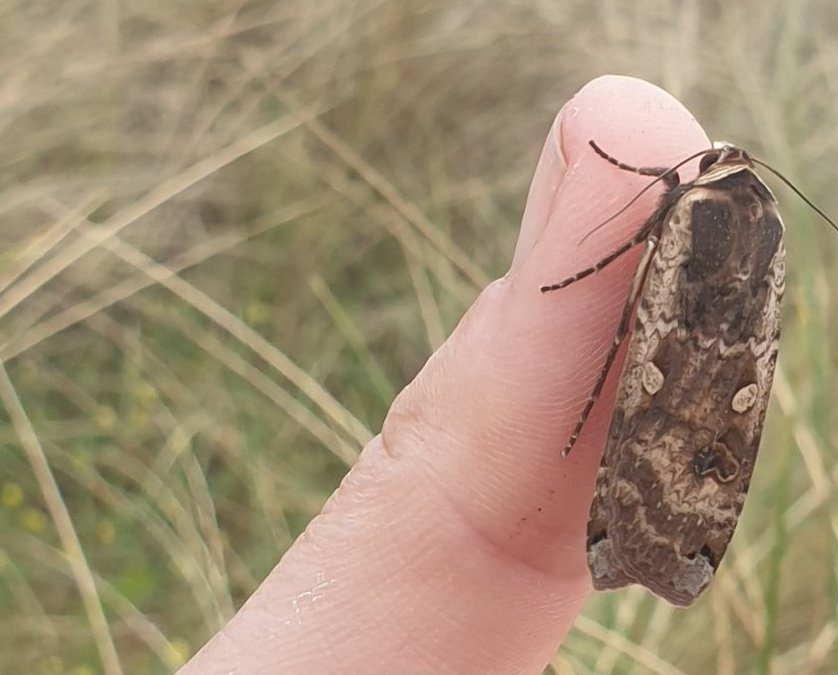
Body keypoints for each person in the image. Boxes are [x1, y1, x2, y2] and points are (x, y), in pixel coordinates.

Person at [180, 75, 711, 673]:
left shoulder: (696, 201)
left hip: (663, 364)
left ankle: (657, 543)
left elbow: (641, 239)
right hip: (677, 391)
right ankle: (670, 548)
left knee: (620, 346)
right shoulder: (741, 221)